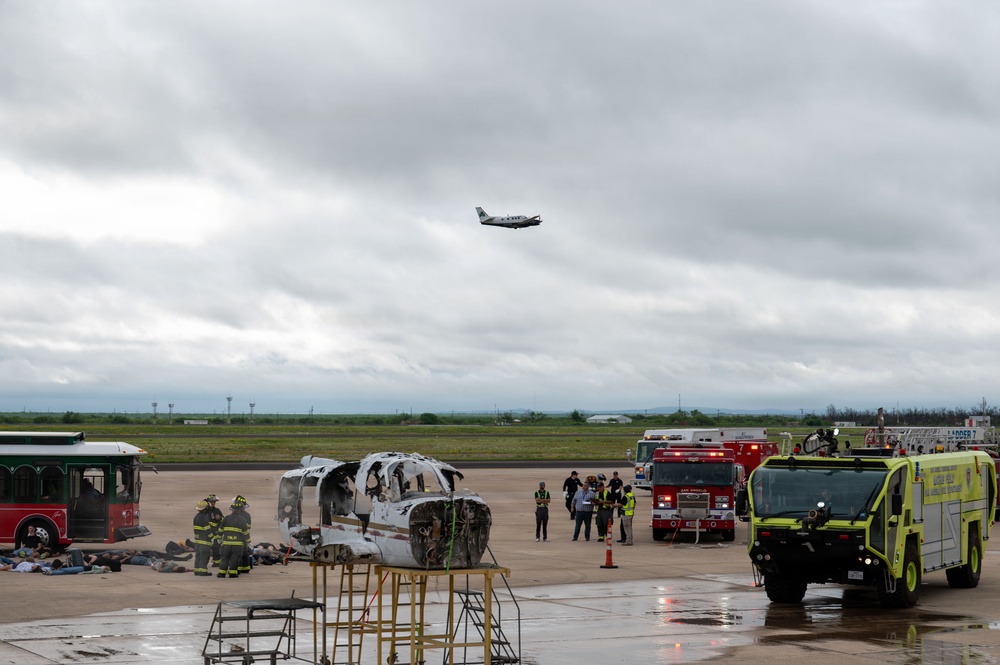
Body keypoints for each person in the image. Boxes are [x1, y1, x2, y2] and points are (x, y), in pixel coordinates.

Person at [217, 497, 250, 578]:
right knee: (235, 559)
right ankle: (232, 573)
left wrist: (219, 538)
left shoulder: (226, 518)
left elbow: (220, 529)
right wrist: (249, 542)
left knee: (224, 558)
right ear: (239, 510)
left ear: (232, 510)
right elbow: (246, 532)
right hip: (237, 544)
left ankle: (221, 573)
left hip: (226, 543)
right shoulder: (242, 520)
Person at [192, 500, 214, 576]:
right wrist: (212, 537)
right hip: (205, 542)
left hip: (197, 542)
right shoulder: (205, 518)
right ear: (205, 509)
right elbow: (207, 529)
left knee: (198, 557)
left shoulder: (196, 517)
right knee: (204, 557)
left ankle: (196, 570)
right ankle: (203, 571)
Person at [205, 494, 225, 568]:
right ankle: (204, 563)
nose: (213, 503)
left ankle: (216, 562)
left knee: (216, 549)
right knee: (206, 549)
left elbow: (224, 521)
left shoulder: (217, 511)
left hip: (216, 534)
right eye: (212, 502)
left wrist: (219, 518)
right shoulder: (205, 511)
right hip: (207, 534)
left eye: (214, 502)